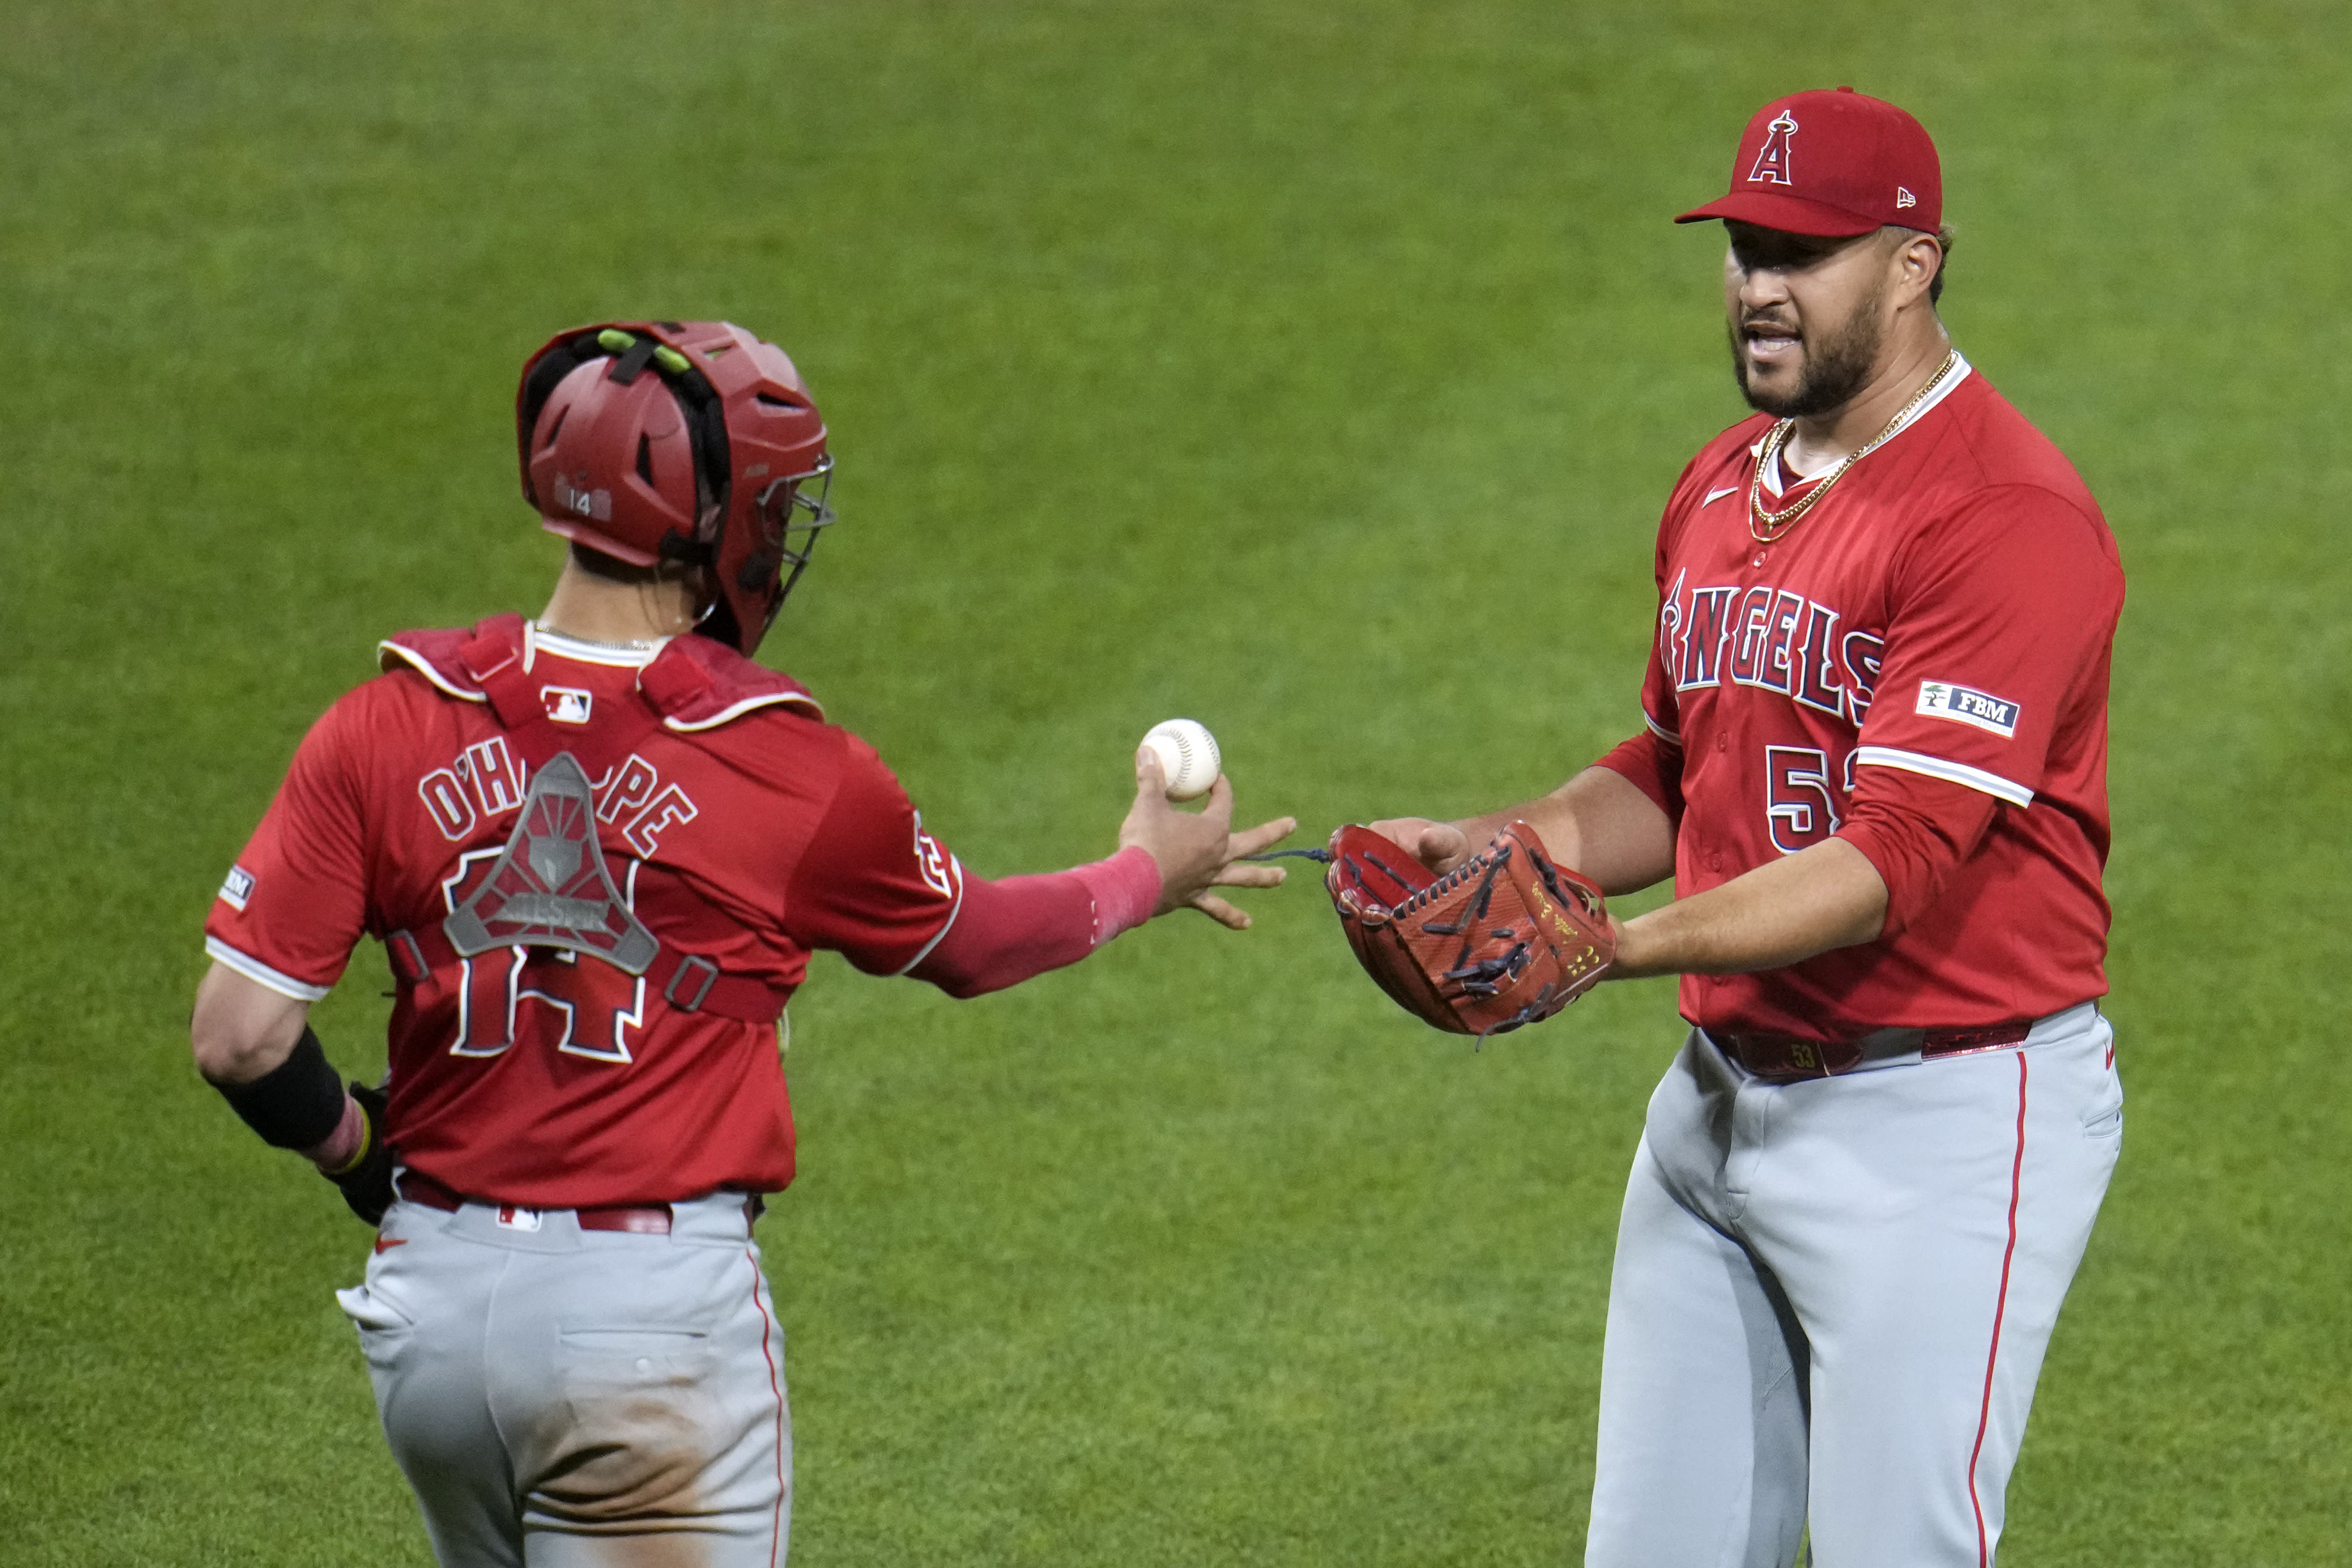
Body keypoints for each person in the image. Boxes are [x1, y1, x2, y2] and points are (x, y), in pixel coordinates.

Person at [190, 318, 1295, 1566]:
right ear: (720, 523)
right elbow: (977, 943)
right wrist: (1147, 870)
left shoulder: (384, 723)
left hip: (429, 1321)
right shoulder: (784, 766)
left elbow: (238, 1039)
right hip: (645, 1343)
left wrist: (358, 1153)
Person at [1361, 90, 2125, 1565]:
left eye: (1807, 251)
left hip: (1940, 1120)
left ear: (1913, 264)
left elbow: (1891, 859)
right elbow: (1675, 762)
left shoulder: (1999, 514)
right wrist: (1499, 846)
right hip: (1717, 1104)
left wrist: (1609, 942)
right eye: (1744, 245)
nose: (1759, 284)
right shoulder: (1723, 482)